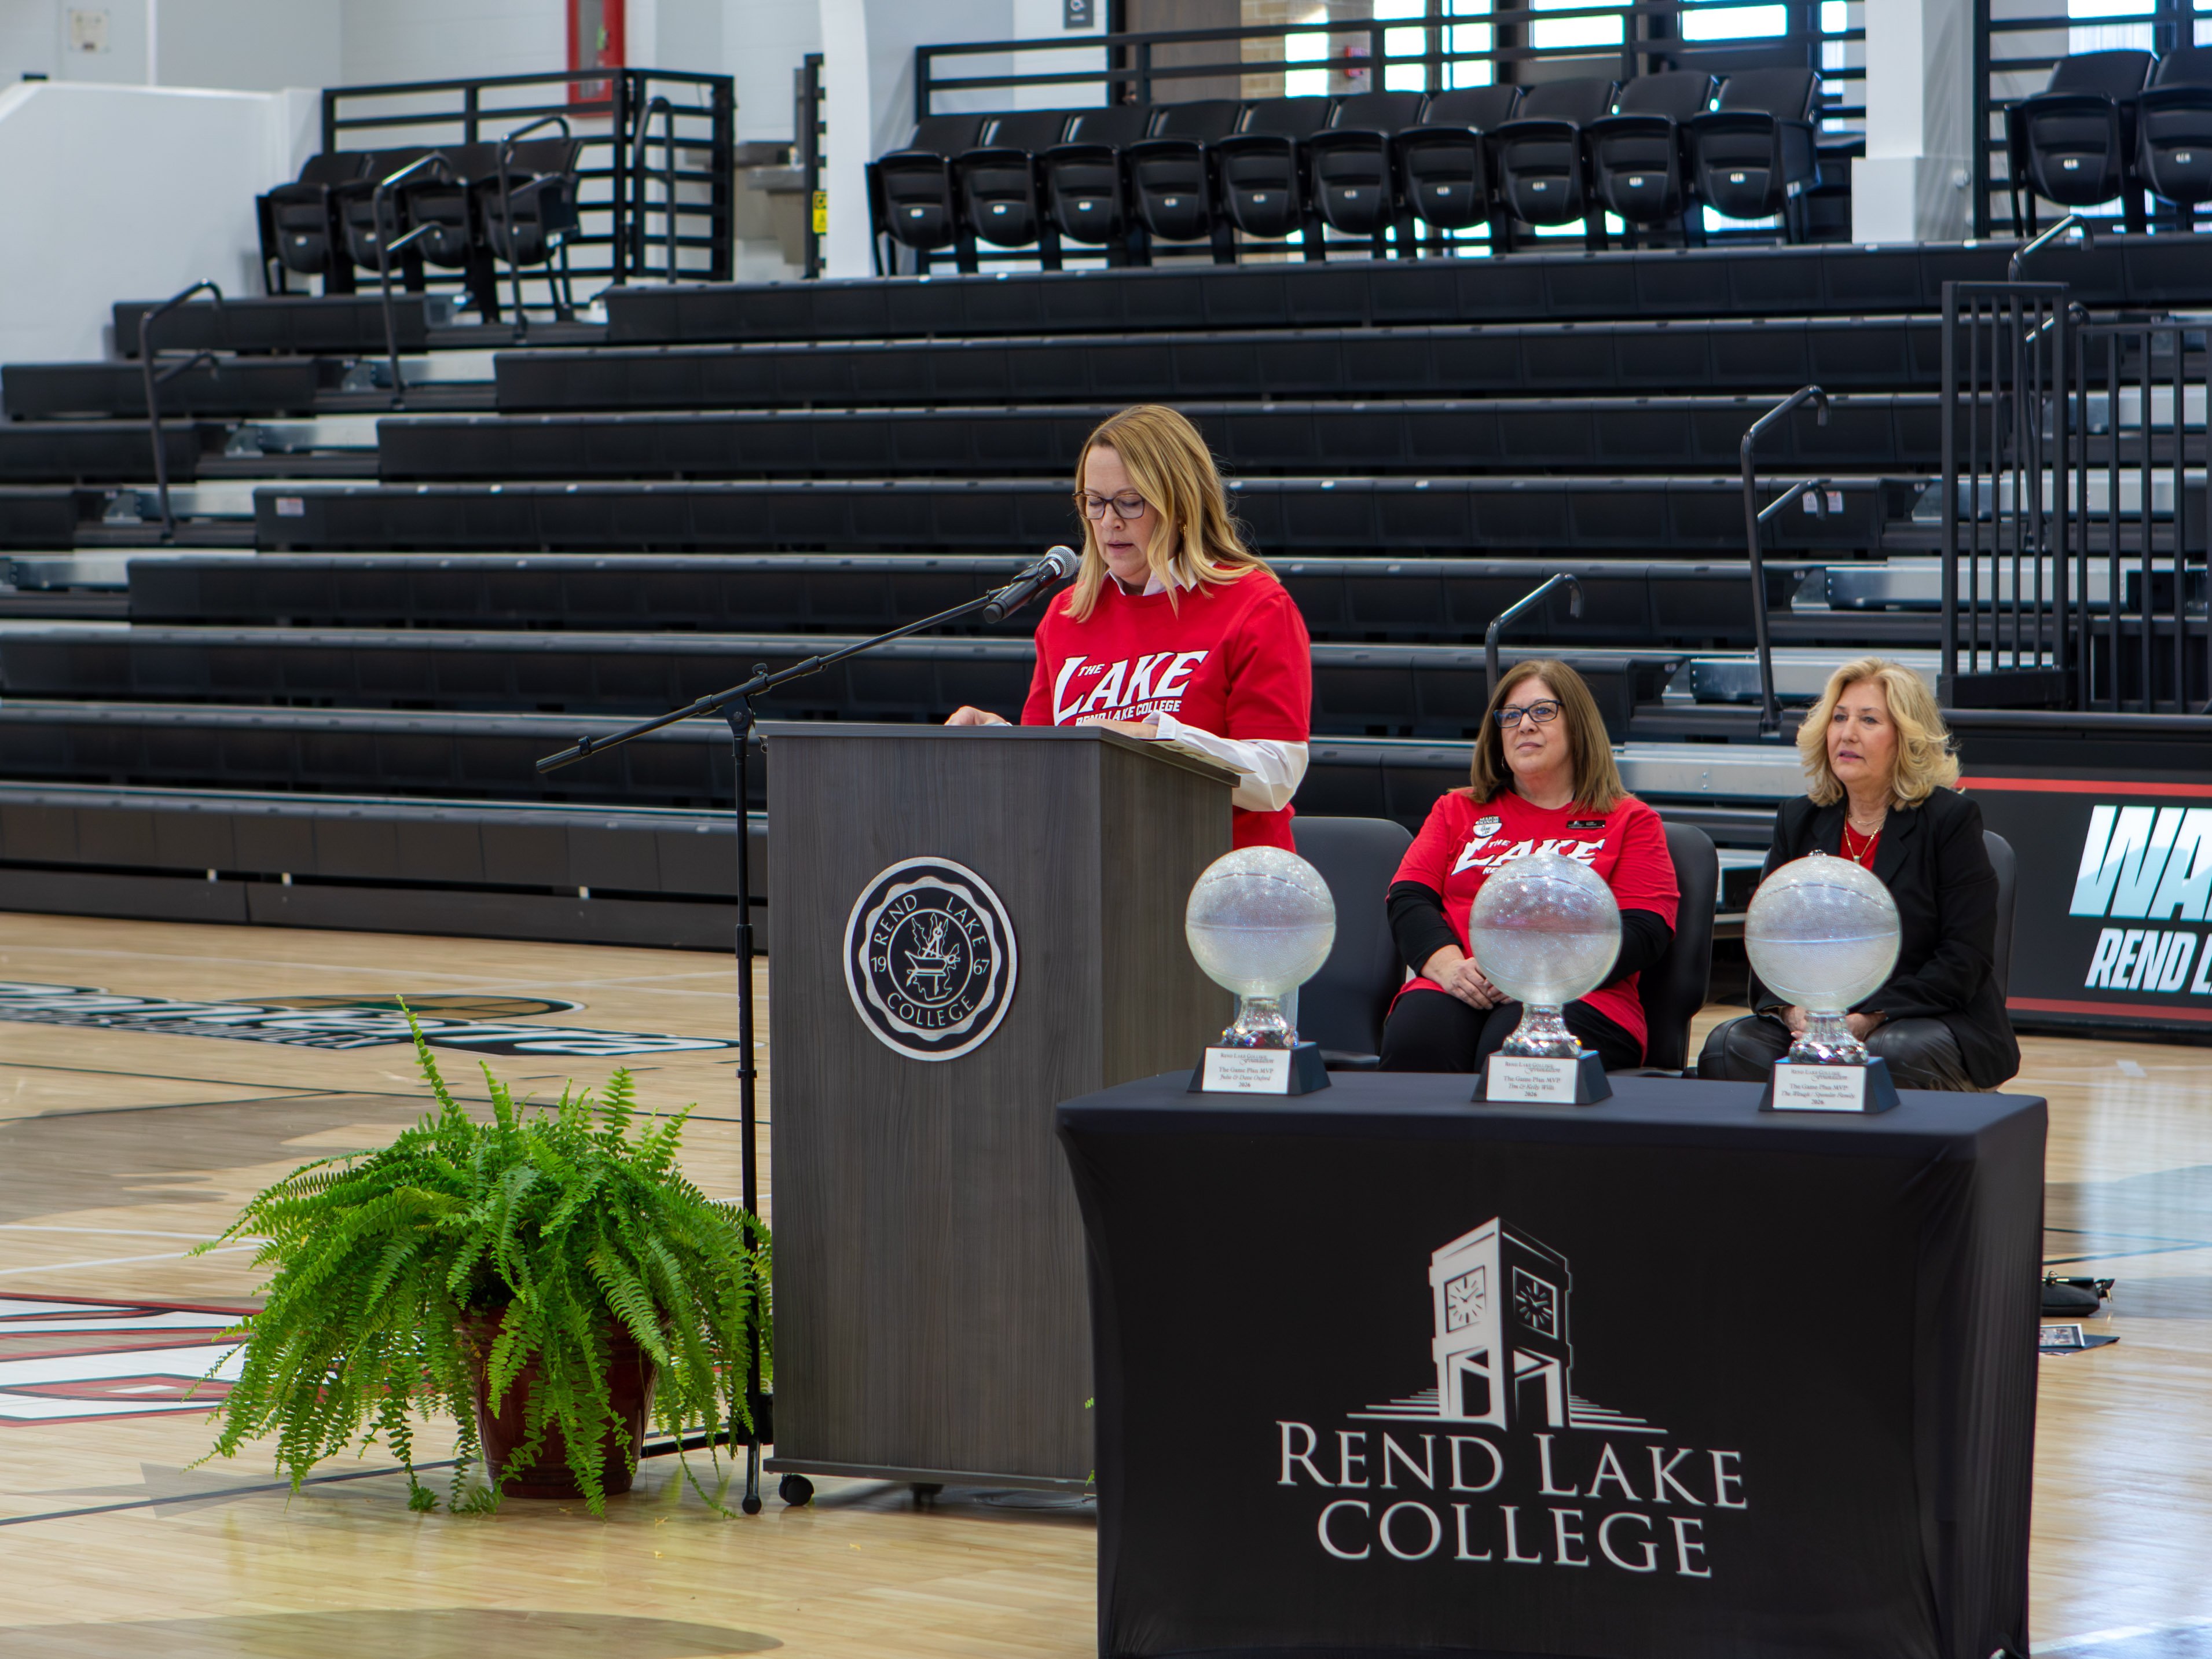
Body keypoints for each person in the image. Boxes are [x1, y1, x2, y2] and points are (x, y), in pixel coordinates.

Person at [947, 404, 1312, 850]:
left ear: (1180, 504)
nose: (1108, 522)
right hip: (1097, 876)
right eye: (1094, 502)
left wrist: (1158, 739)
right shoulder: (1067, 614)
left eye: (1130, 502)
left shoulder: (1254, 605)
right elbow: (1052, 767)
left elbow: (1277, 775)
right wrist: (995, 741)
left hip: (1225, 888)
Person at [1698, 656, 2019, 1091]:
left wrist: (1867, 1018)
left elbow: (1964, 959)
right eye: (1839, 718)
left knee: (1891, 1051)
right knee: (1730, 1044)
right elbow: (1768, 942)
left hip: (1920, 1016)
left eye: (1868, 720)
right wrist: (1793, 1013)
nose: (1847, 733)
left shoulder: (1950, 820)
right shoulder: (1798, 820)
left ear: (1906, 739)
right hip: (1815, 1018)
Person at [1378, 659, 1679, 1073]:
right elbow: (1408, 899)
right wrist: (1448, 968)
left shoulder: (1630, 820)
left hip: (1579, 996)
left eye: (1542, 711)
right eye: (1511, 715)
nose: (1524, 725)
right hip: (1462, 982)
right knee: (1418, 1037)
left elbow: (1644, 930)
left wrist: (1528, 969)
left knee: (1513, 1051)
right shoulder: (1456, 809)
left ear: (1578, 726)